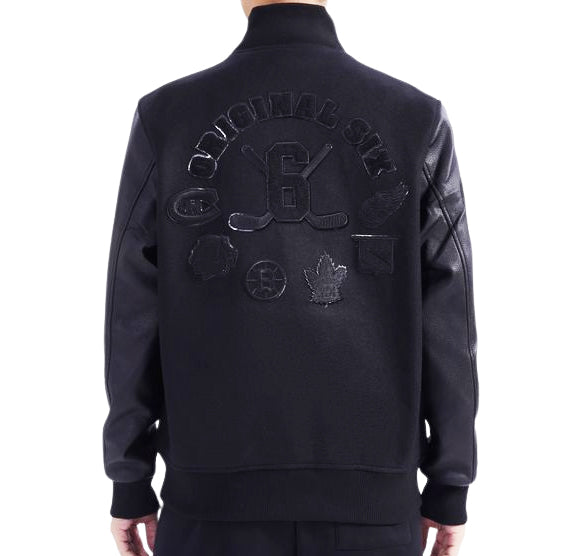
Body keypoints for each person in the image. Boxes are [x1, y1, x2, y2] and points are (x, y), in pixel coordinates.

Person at [102, 1, 479, 554]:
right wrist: (450, 481)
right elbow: (450, 313)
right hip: (372, 510)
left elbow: (132, 310)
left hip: (210, 506)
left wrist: (129, 477)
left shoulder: (167, 117)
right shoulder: (415, 118)